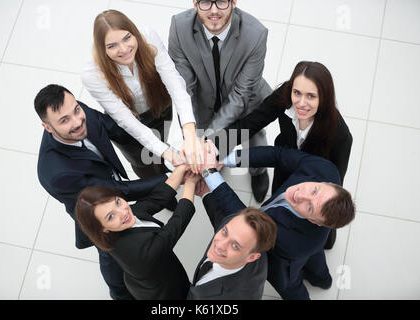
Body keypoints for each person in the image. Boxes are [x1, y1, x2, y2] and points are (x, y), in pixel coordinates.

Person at [35, 84, 171, 300]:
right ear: (48, 127)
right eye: (64, 120)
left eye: (76, 110)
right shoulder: (56, 174)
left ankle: (166, 196)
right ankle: (119, 293)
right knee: (110, 250)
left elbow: (116, 130)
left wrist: (162, 149)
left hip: (111, 184)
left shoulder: (81, 112)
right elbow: (118, 191)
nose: (78, 121)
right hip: (94, 211)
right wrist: (170, 178)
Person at [221, 61, 353, 249]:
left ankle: (327, 233)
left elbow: (336, 181)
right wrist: (217, 148)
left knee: (320, 218)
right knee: (279, 200)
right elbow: (254, 121)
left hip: (314, 179)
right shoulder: (285, 95)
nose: (300, 103)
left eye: (311, 96)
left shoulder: (340, 135)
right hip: (283, 162)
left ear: (323, 98)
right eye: (297, 93)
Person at [200, 141, 355, 300]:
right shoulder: (325, 169)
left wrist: (209, 173)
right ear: (326, 183)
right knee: (316, 254)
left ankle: (316, 284)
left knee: (289, 285)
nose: (300, 195)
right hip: (313, 241)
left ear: (315, 222)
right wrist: (224, 161)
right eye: (315, 190)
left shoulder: (290, 241)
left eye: (309, 207)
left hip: (284, 260)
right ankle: (322, 278)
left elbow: (245, 220)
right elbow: (278, 155)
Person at [168, 0, 272, 202]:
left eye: (222, 2)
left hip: (248, 103)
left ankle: (258, 172)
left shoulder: (256, 34)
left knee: (256, 144)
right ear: (194, 3)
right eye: (206, 2)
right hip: (203, 103)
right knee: (212, 149)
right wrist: (193, 139)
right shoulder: (179, 27)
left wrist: (206, 141)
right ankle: (215, 159)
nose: (214, 11)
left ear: (233, 2)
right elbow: (183, 87)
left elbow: (241, 95)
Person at [82, 9, 203, 178]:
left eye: (127, 38)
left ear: (134, 32)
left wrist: (190, 135)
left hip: (159, 106)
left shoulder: (148, 38)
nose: (124, 49)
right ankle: (157, 186)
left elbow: (176, 85)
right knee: (141, 161)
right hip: (126, 124)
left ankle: (163, 171)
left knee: (159, 145)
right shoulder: (93, 74)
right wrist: (170, 154)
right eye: (112, 46)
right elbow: (127, 121)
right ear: (102, 49)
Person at [75, 165, 199, 300]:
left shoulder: (119, 224)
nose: (124, 212)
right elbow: (176, 224)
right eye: (111, 217)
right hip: (164, 292)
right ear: (103, 228)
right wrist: (191, 183)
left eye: (117, 201)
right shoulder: (140, 253)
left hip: (142, 280)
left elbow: (155, 199)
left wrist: (181, 169)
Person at [187, 192, 277, 299]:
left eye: (235, 246)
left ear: (252, 257)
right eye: (225, 232)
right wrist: (205, 193)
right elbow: (220, 219)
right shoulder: (236, 225)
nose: (220, 245)